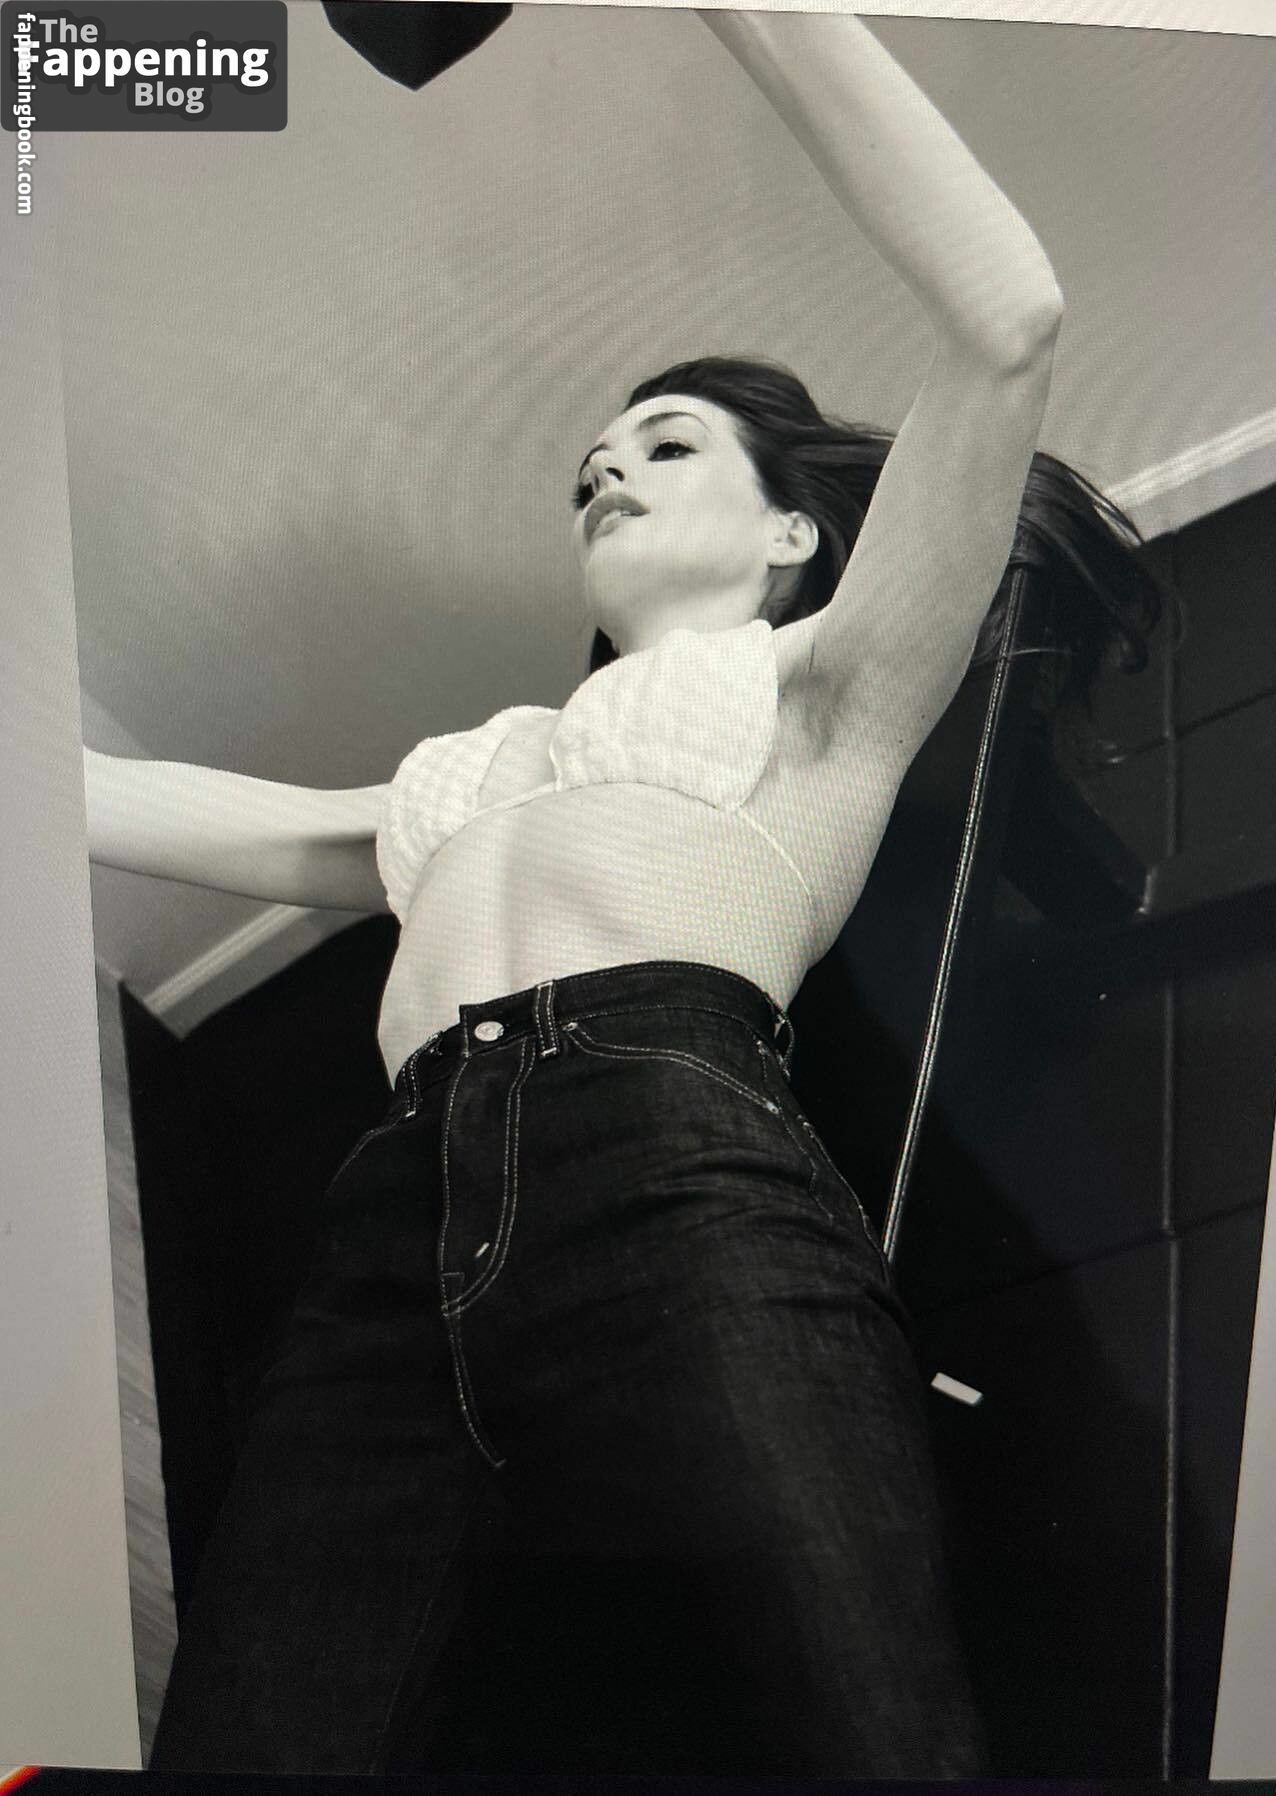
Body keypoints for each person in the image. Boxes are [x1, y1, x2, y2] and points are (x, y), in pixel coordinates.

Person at [85, 10, 1160, 1776]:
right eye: (595, 454)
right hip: (388, 1221)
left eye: (664, 444)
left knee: (853, 1720)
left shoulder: (827, 683)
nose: (602, 465)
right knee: (254, 1737)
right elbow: (105, 797)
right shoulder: (466, 773)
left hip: (672, 1156)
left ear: (793, 534)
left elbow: (1008, 319)